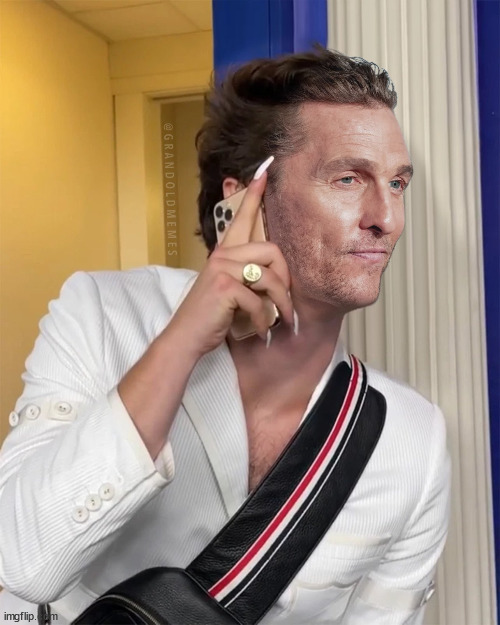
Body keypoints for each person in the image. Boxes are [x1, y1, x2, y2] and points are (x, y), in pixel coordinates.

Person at [0, 46, 450, 624]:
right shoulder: (103, 316)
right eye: (347, 178)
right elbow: (23, 562)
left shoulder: (411, 440)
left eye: (397, 183)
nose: (386, 218)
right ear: (240, 203)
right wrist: (185, 338)